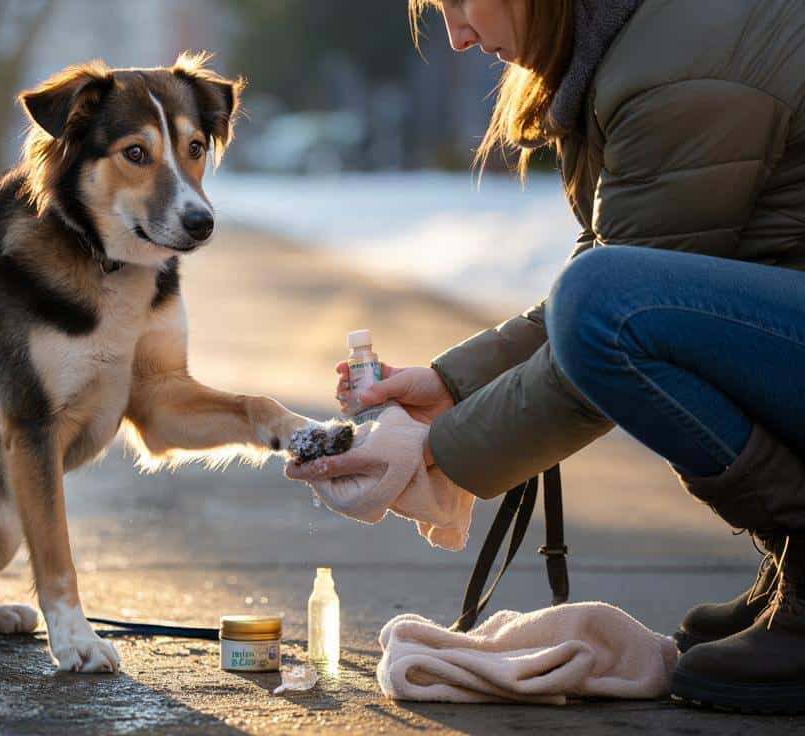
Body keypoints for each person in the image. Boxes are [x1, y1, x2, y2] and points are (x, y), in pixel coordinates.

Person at [287, 0, 805, 714]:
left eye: (461, 4)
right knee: (607, 296)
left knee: (606, 305)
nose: (460, 37)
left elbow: (611, 316)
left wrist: (433, 450)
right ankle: (792, 560)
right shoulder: (642, 38)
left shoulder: (682, 62)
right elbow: (626, 271)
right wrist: (450, 384)